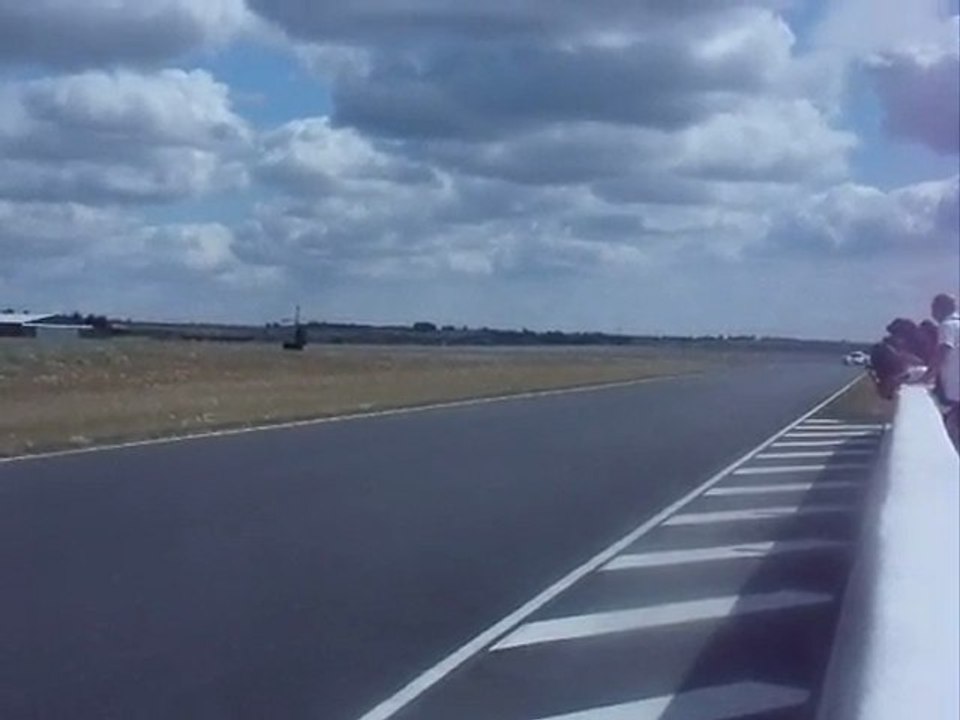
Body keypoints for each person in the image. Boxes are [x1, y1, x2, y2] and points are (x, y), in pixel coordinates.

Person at [923, 293, 960, 450]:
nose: (932, 313)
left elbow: (943, 351)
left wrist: (927, 376)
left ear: (942, 308)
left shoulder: (947, 326)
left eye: (933, 308)